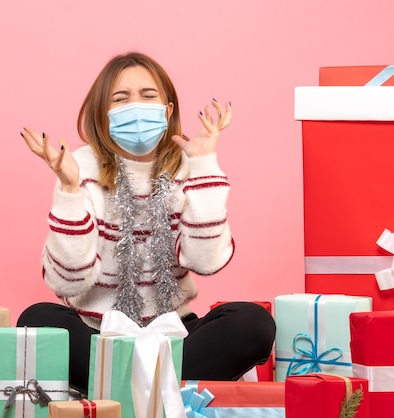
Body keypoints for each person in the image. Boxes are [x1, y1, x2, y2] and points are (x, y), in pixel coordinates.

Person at [18, 51, 275, 394]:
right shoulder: (79, 166)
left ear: (168, 110)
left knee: (253, 323)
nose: (136, 106)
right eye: (121, 99)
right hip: (97, 334)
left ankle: (118, 390)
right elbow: (68, 282)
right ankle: (159, 391)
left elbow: (206, 260)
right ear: (103, 114)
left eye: (148, 96)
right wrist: (68, 189)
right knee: (36, 321)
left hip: (175, 333)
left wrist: (204, 167)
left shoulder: (189, 165)